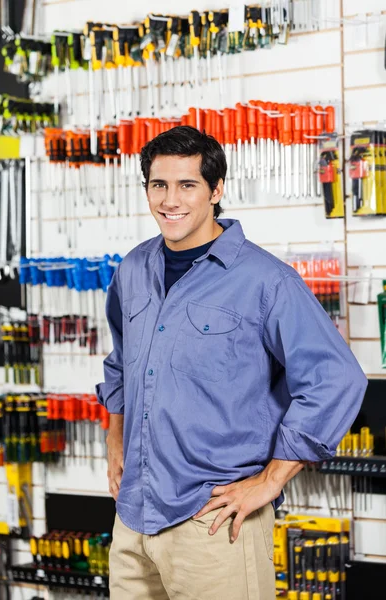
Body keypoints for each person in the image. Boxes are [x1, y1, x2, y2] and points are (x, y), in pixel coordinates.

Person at [96, 126, 367, 600]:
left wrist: (269, 480)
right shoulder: (133, 269)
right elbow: (121, 363)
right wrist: (114, 438)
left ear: (216, 190)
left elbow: (335, 379)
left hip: (215, 524)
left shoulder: (266, 280)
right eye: (158, 185)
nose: (169, 200)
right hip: (133, 519)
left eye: (187, 185)